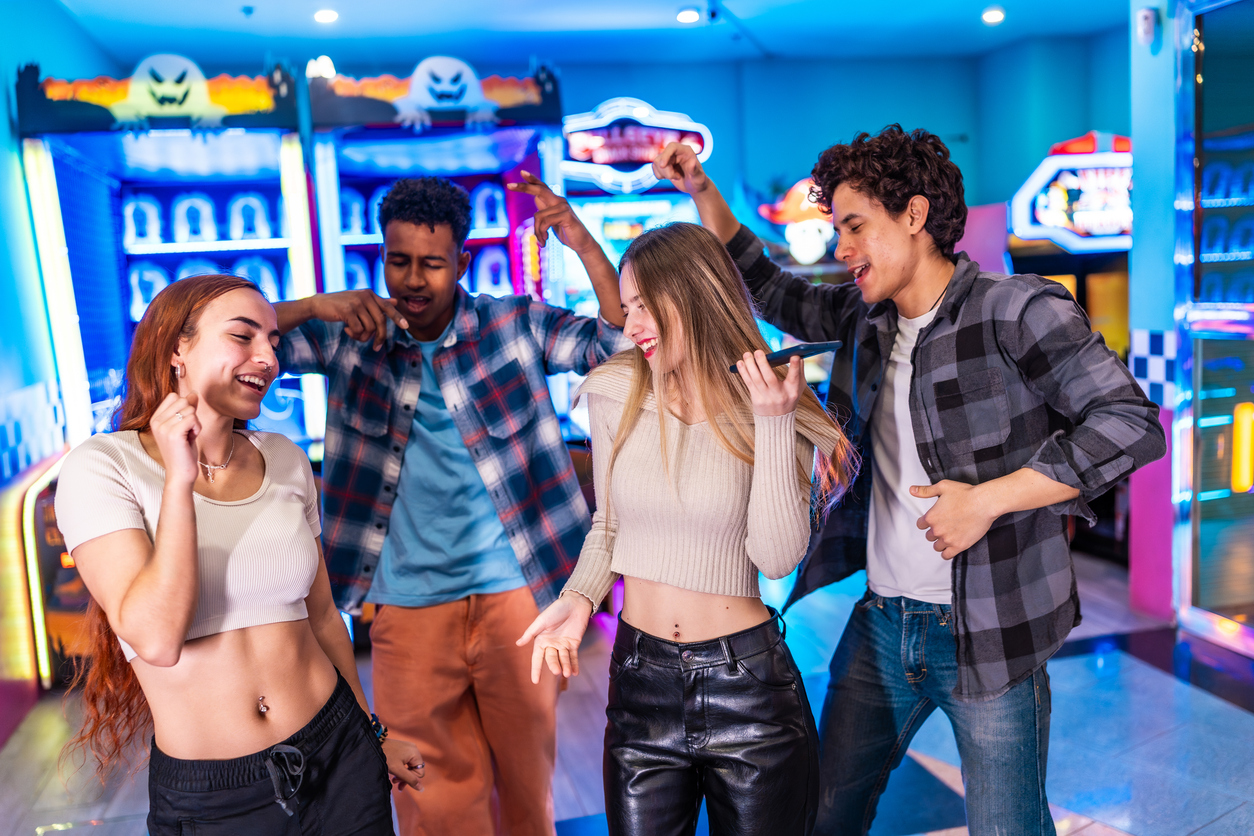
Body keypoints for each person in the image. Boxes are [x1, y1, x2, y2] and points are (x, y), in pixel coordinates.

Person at [651, 126, 1166, 835]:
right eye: (837, 229)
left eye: (855, 226)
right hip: (884, 626)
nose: (841, 249)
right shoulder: (866, 319)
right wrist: (702, 190)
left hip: (992, 630)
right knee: (823, 813)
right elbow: (768, 286)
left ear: (916, 216)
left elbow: (1133, 422)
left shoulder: (1015, 310)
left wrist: (987, 500)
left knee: (1008, 828)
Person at [272, 174, 630, 836]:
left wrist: (583, 245)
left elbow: (616, 342)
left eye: (431, 263)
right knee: (430, 800)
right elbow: (241, 334)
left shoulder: (512, 325)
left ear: (461, 262)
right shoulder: (353, 336)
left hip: (519, 603)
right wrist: (316, 305)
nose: (412, 279)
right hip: (407, 611)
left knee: (528, 794)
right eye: (398, 260)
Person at [518, 221, 858, 836]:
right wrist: (576, 599)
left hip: (749, 691)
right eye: (628, 309)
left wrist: (775, 423)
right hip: (640, 685)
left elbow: (777, 558)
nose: (633, 326)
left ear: (698, 294)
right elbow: (609, 524)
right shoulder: (614, 387)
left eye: (647, 306)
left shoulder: (772, 400)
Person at [54, 275, 422, 836]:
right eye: (243, 337)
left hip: (340, 752)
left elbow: (323, 617)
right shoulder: (103, 467)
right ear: (178, 347)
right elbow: (155, 638)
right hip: (215, 797)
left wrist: (374, 736)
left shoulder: (285, 458)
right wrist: (179, 483)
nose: (268, 358)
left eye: (273, 341)